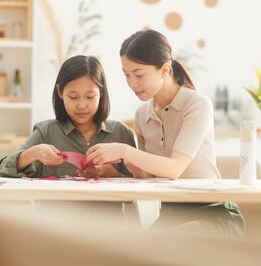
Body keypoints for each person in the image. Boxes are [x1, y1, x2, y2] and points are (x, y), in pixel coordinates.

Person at [84, 29, 244, 237]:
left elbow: (174, 169)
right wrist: (111, 173)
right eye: (127, 75)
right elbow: (147, 176)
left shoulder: (197, 105)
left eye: (139, 74)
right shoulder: (142, 115)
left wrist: (123, 150)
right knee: (127, 249)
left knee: (168, 243)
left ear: (164, 69)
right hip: (171, 216)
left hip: (213, 214)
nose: (132, 83)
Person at [0, 55, 135, 179]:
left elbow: (138, 185)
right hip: (56, 207)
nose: (82, 105)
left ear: (101, 93)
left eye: (90, 97)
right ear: (60, 92)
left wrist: (112, 174)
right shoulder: (46, 133)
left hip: (108, 207)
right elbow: (4, 168)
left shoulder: (121, 133)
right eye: (73, 97)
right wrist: (34, 153)